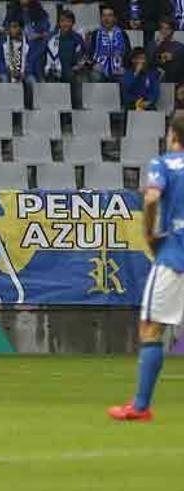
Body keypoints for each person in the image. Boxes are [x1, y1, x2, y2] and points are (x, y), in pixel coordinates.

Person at [108, 115, 184, 422]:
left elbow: (151, 197)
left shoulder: (163, 164)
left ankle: (140, 406)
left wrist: (149, 231)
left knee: (151, 328)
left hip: (175, 255)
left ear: (172, 134)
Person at [6, 0, 51, 78]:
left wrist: (39, 35)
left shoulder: (40, 13)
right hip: (17, 43)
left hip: (36, 44)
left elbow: (46, 31)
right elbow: (7, 29)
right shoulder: (12, 13)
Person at [87, 5, 131, 83]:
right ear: (101, 18)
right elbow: (90, 53)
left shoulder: (122, 34)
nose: (106, 19)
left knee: (126, 78)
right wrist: (94, 65)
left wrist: (124, 67)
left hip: (118, 68)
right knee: (95, 76)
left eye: (109, 16)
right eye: (104, 16)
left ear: (114, 18)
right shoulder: (95, 34)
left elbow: (128, 53)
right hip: (99, 68)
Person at [43, 9, 87, 83]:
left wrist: (78, 67)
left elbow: (81, 58)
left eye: (68, 21)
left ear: (73, 23)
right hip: (54, 73)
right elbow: (45, 57)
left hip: (72, 73)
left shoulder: (77, 38)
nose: (65, 24)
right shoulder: (52, 37)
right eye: (62, 21)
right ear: (59, 23)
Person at [0, 18, 37, 83]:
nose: (13, 29)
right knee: (3, 78)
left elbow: (32, 62)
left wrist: (24, 72)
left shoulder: (28, 44)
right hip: (7, 73)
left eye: (15, 27)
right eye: (11, 27)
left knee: (31, 79)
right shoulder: (3, 43)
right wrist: (8, 71)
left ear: (20, 29)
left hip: (24, 73)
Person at [153, 17, 184, 84]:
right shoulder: (153, 45)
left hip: (173, 80)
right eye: (162, 28)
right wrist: (157, 45)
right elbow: (150, 62)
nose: (164, 31)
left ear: (172, 30)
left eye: (167, 29)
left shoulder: (179, 47)